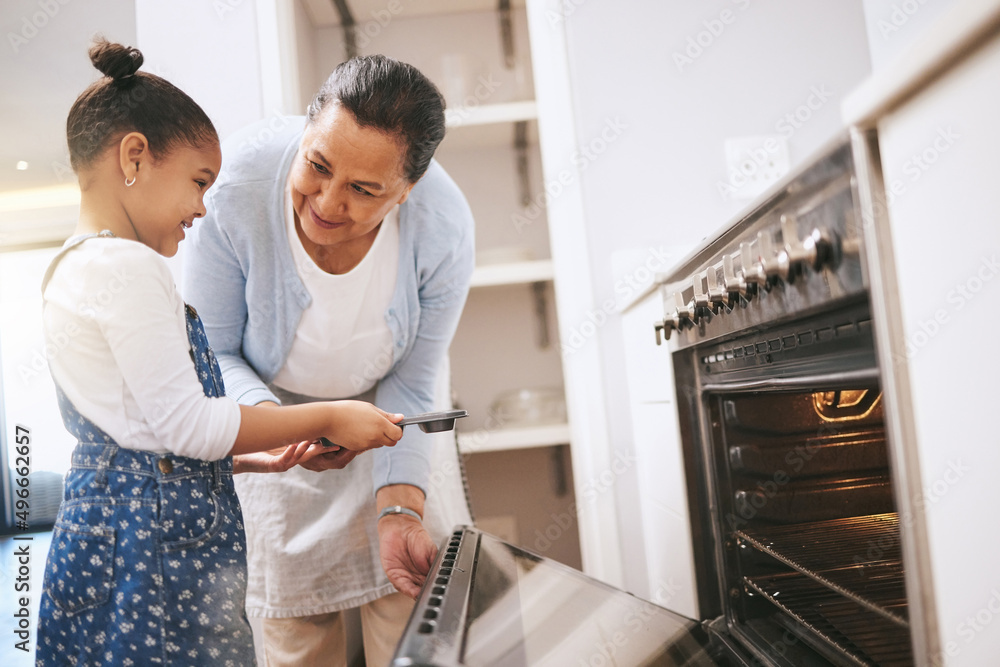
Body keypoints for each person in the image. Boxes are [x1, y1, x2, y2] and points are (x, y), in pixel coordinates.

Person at [35, 40, 404, 666]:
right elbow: (189, 424)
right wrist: (328, 414)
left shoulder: (71, 268)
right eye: (198, 181)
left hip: (106, 541)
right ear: (134, 157)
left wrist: (249, 461)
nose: (203, 207)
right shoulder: (130, 268)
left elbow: (142, 435)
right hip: (150, 558)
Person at [183, 55, 475, 665]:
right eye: (317, 166)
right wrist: (280, 426)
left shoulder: (444, 226)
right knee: (297, 635)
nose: (326, 201)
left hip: (392, 417)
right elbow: (216, 349)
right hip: (270, 409)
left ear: (406, 192)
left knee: (413, 611)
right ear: (306, 130)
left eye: (364, 190)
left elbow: (415, 377)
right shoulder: (235, 190)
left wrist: (399, 507)